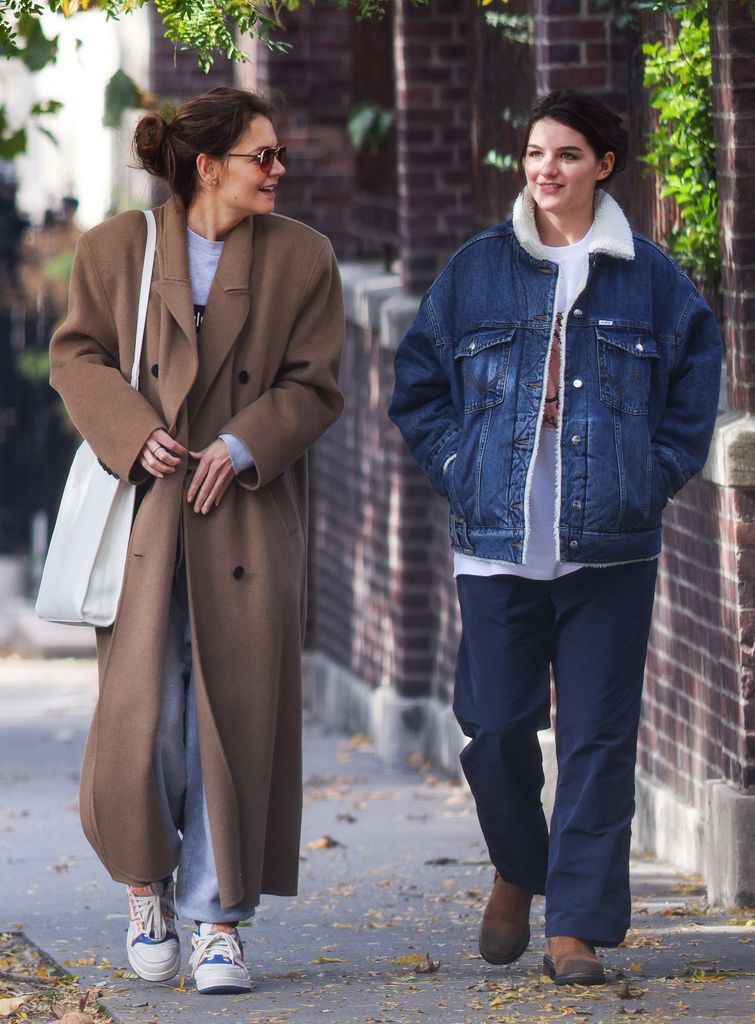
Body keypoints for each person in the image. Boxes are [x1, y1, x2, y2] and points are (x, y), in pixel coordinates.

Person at [389, 89, 721, 985]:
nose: (545, 171)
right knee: (494, 729)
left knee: (597, 739)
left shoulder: (651, 278)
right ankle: (518, 866)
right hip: (497, 541)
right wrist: (463, 466)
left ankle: (574, 926)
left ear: (602, 167)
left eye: (566, 155)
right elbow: (417, 385)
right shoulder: (477, 271)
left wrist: (646, 480)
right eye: (535, 153)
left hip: (609, 545)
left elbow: (693, 396)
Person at [49, 87, 344, 994]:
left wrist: (245, 440)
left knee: (235, 717)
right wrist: (134, 430)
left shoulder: (303, 259)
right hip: (147, 514)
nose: (279, 170)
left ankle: (218, 920)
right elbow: (77, 355)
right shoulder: (116, 249)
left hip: (245, 513)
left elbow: (314, 384)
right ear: (208, 166)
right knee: (146, 717)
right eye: (264, 156)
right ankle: (147, 883)